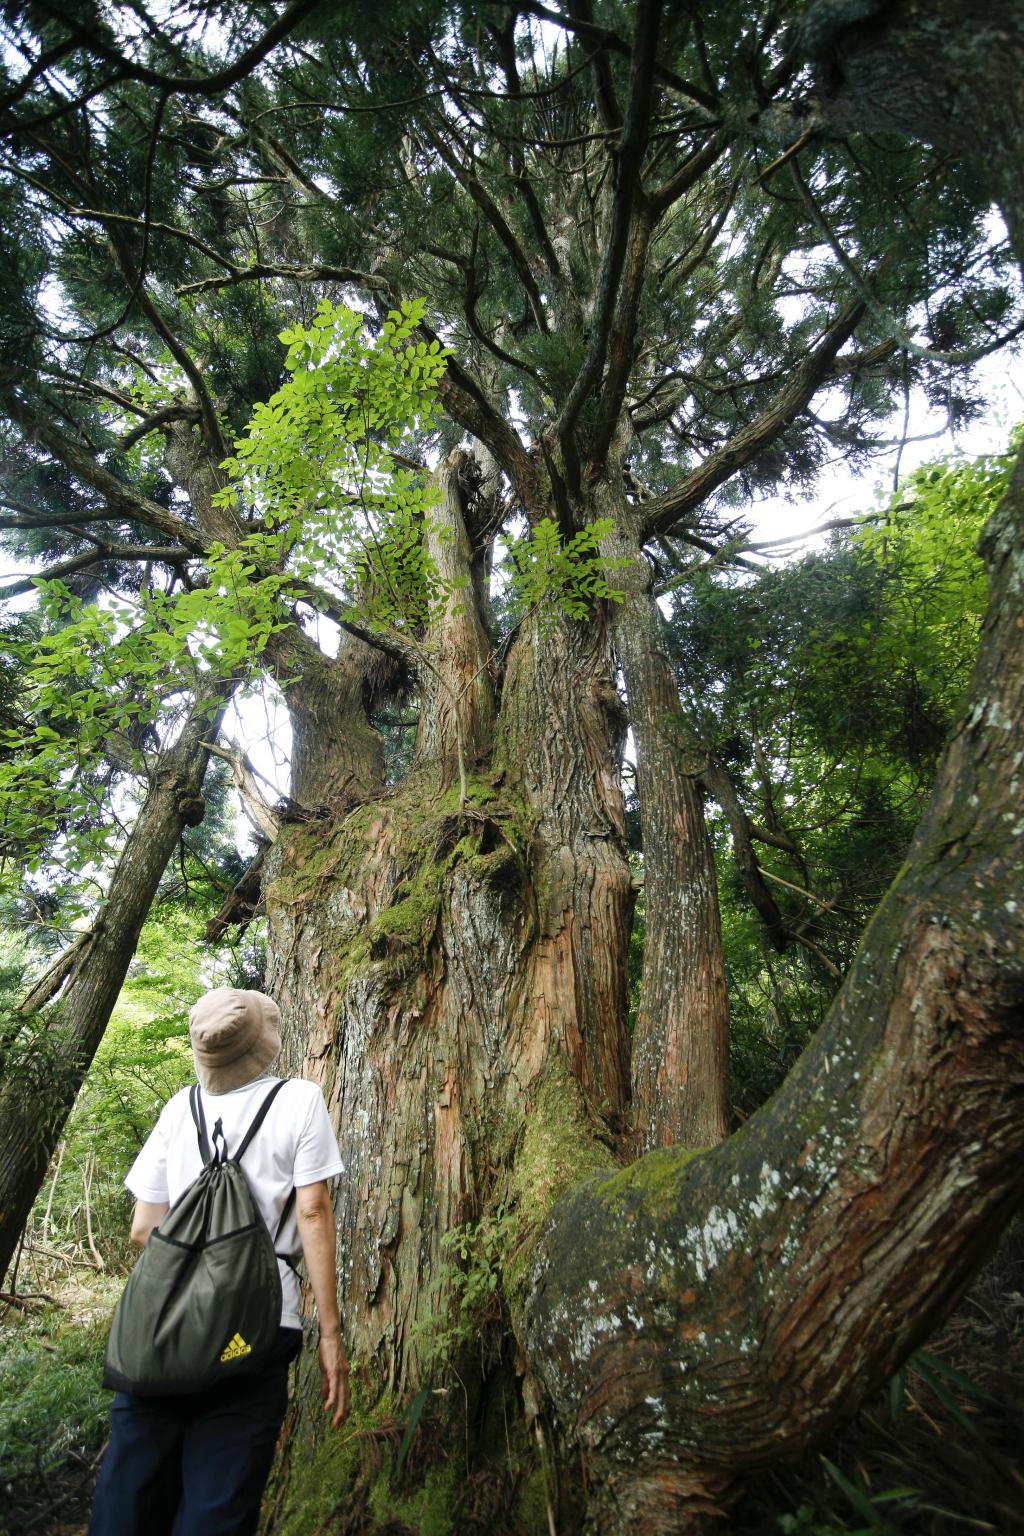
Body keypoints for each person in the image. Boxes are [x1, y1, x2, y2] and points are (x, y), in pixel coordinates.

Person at [88, 986, 350, 1536]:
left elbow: (143, 1226)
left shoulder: (179, 1109)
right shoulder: (298, 1100)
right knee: (218, 1503)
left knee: (128, 1496)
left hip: (160, 1333)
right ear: (263, 1044)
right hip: (252, 1331)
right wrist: (329, 1332)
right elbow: (313, 1210)